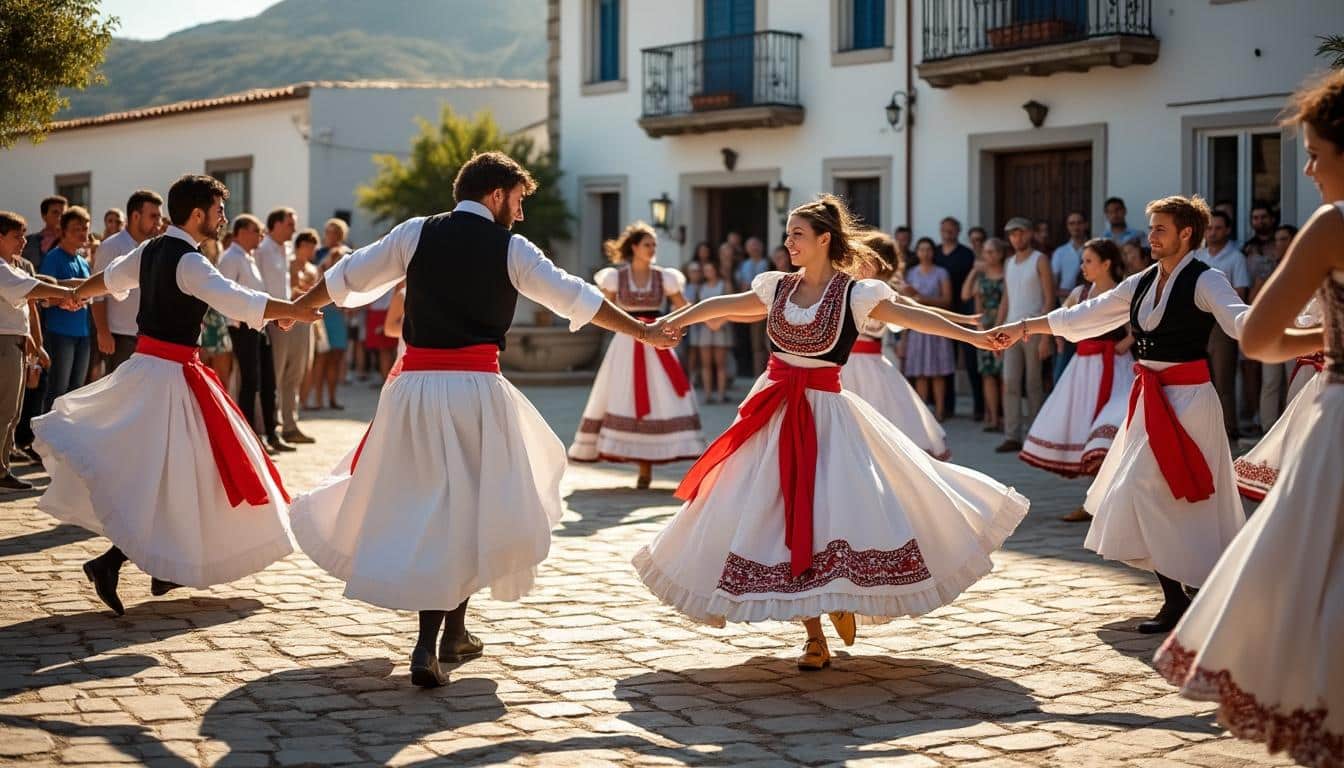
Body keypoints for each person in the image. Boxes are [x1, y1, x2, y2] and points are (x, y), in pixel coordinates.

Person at [286, 151, 680, 688]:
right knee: (470, 505)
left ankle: (452, 633)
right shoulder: (511, 248)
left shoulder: (414, 233)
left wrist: (298, 307)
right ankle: (431, 642)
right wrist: (643, 331)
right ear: (496, 195)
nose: (519, 214)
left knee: (434, 503)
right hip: (475, 391)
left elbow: (349, 275)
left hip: (414, 392)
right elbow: (575, 295)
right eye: (517, 201)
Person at [636, 194, 1028, 671]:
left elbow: (912, 316)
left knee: (831, 510)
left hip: (828, 414)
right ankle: (813, 637)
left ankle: (837, 595)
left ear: (825, 239)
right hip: (774, 411)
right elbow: (726, 305)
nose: (788, 242)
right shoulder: (775, 288)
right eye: (787, 234)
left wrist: (973, 335)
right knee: (774, 515)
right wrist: (675, 319)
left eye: (797, 234)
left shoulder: (856, 294)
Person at [1155, 70, 1343, 768]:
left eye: (1318, 151)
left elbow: (1260, 338)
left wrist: (1325, 340)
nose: (1308, 167)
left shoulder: (1335, 226)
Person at [35, 174, 320, 616]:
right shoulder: (189, 261)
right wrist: (293, 311)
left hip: (155, 371)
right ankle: (120, 563)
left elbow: (108, 280)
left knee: (180, 472)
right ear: (198, 213)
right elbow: (237, 300)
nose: (223, 217)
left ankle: (157, 564)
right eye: (219, 210)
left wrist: (76, 294)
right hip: (168, 377)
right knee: (174, 472)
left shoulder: (153, 250)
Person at [990, 194, 1249, 634]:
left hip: (1190, 402)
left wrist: (1302, 329)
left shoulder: (1208, 280)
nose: (1151, 236)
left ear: (1186, 233)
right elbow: (1084, 316)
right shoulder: (1141, 282)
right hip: (1151, 401)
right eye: (1150, 228)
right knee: (1141, 488)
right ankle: (1176, 598)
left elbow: (1241, 321)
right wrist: (1025, 327)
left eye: (1160, 229)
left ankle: (1194, 591)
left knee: (1178, 492)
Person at [568, 221, 703, 488]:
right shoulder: (615, 277)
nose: (652, 249)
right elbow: (601, 308)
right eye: (647, 244)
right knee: (624, 397)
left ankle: (647, 466)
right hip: (626, 343)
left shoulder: (665, 277)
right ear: (634, 247)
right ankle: (640, 463)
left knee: (660, 397)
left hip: (657, 344)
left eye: (654, 245)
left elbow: (683, 308)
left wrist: (682, 324)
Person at [1018, 240, 1135, 521]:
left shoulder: (1122, 293)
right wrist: (1050, 338)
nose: (1082, 266)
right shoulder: (1080, 293)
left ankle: (1113, 501)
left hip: (1116, 367)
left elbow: (1140, 326)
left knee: (1110, 430)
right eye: (1082, 261)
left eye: (1089, 261)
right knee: (1084, 428)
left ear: (1106, 264)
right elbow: (1060, 319)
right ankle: (1093, 501)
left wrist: (1127, 341)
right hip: (1083, 369)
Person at [844, 231, 955, 460]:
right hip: (843, 366)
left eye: (868, 259)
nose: (861, 264)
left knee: (883, 429)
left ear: (882, 264)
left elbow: (921, 312)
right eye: (860, 258)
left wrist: (964, 322)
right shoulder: (847, 287)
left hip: (873, 366)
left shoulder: (885, 293)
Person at [0, 212, 69, 491]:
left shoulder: (13, 266)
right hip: (4, 343)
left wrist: (71, 288)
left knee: (12, 413)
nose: (23, 241)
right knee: (4, 412)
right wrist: (69, 294)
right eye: (17, 236)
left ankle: (2, 469)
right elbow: (35, 288)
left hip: (14, 341)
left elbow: (38, 283)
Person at [218, 215, 292, 455]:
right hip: (243, 327)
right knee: (250, 383)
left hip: (259, 326)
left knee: (268, 382)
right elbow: (224, 294)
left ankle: (271, 433)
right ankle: (251, 437)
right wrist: (236, 324)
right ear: (239, 232)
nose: (260, 235)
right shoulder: (230, 258)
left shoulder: (248, 258)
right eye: (255, 230)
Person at [996, 217, 1056, 453]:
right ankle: (1012, 435)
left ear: (1029, 233)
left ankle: (1035, 437)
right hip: (1010, 330)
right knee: (1009, 382)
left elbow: (1050, 298)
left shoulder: (1040, 260)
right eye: (1012, 234)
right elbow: (1006, 299)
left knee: (1033, 384)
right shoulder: (1009, 262)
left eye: (1020, 233)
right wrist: (996, 330)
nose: (1016, 238)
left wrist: (1045, 337)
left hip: (1033, 329)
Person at [256, 207, 314, 445]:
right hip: (271, 319)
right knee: (273, 376)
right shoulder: (261, 249)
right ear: (277, 224)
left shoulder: (286, 250)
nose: (294, 229)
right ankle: (264, 427)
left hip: (290, 315)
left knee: (293, 374)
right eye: (290, 224)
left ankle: (289, 425)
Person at [1193, 210, 1251, 440]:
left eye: (1218, 228)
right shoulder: (1197, 256)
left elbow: (1240, 292)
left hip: (1221, 325)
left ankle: (1229, 430)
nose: (1213, 232)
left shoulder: (1236, 257)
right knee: (1199, 379)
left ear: (1227, 230)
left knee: (1223, 379)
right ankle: (1204, 430)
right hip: (1197, 324)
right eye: (1209, 228)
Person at [92, 190, 163, 374]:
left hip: (147, 336)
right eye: (153, 216)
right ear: (135, 216)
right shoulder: (111, 246)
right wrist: (103, 332)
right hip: (119, 337)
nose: (159, 222)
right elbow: (97, 294)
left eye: (159, 217)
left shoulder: (153, 248)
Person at [37, 206, 94, 411]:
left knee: (76, 390)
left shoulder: (82, 261)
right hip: (60, 333)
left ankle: (66, 438)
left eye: (85, 228)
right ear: (63, 231)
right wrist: (63, 300)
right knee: (57, 390)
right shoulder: (53, 257)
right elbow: (43, 294)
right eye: (77, 228)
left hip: (83, 334)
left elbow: (89, 294)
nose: (83, 233)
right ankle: (45, 439)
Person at [903, 237, 956, 419]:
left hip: (937, 325)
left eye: (928, 249)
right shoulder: (911, 273)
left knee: (938, 372)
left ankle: (940, 411)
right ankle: (923, 414)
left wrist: (922, 298)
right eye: (921, 249)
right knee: (920, 373)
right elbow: (904, 303)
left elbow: (947, 300)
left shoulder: (941, 272)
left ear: (933, 252)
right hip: (917, 326)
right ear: (917, 252)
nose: (925, 253)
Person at [935, 217, 982, 420]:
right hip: (941, 314)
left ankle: (980, 407)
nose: (948, 233)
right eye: (945, 230)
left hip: (964, 312)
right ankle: (947, 407)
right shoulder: (935, 253)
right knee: (946, 362)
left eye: (952, 230)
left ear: (958, 231)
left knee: (971, 360)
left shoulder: (966, 254)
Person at [965, 237, 1008, 432]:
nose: (988, 256)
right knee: (987, 374)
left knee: (1003, 375)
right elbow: (968, 296)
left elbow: (1007, 302)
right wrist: (980, 328)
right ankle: (991, 417)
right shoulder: (981, 278)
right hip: (984, 327)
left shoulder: (1008, 274)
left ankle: (1004, 417)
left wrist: (998, 327)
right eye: (986, 252)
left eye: (991, 252)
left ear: (1000, 254)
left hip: (1005, 325)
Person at [1050, 211, 1089, 383]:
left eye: (1079, 222)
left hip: (1091, 308)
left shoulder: (1093, 247)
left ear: (1085, 224)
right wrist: (1075, 293)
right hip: (1066, 307)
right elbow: (1053, 285)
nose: (1076, 226)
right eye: (1072, 223)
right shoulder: (1060, 252)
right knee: (1063, 359)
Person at [692, 260, 733, 403]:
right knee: (705, 364)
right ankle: (708, 395)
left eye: (710, 269)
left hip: (721, 326)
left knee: (721, 363)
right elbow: (697, 308)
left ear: (716, 270)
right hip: (705, 327)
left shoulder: (724, 285)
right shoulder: (701, 287)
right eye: (706, 270)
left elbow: (732, 306)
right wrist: (707, 322)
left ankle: (721, 395)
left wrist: (719, 322)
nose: (707, 272)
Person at [737, 237, 771, 375]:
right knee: (756, 345)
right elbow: (743, 286)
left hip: (770, 306)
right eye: (751, 246)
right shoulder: (744, 265)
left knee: (770, 344)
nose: (754, 248)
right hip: (752, 307)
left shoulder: (768, 263)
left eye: (756, 245)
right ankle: (758, 376)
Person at [22, 195, 66, 266]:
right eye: (55, 212)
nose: (60, 217)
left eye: (63, 214)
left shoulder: (73, 242)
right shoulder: (27, 242)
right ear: (44, 215)